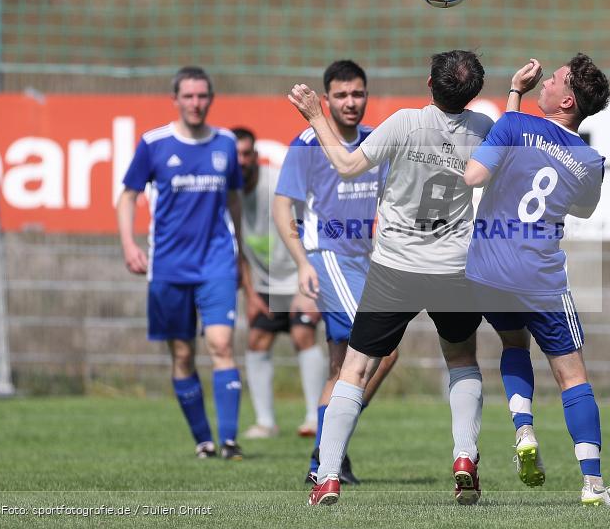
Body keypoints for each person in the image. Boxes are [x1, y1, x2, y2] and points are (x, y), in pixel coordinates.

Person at [288, 50, 494, 506]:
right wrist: (516, 93)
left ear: (429, 84)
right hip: (454, 269)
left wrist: (315, 115)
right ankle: (464, 456)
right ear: (473, 93)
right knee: (462, 360)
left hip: (395, 267)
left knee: (356, 368)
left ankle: (327, 476)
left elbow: (347, 166)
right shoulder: (483, 128)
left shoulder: (404, 123)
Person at [463, 54, 610, 507]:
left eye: (554, 80)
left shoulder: (514, 124)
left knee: (514, 344)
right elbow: (583, 209)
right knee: (572, 376)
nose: (545, 82)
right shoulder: (591, 160)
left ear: (567, 101)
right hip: (539, 277)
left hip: (488, 269)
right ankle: (592, 484)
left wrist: (514, 93)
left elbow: (474, 175)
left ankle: (524, 430)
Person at [274, 60, 399, 486]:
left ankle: (325, 457)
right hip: (326, 257)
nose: (350, 102)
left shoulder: (373, 142)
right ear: (326, 100)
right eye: (341, 95)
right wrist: (302, 262)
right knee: (383, 349)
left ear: (366, 96)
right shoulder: (308, 143)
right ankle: (329, 449)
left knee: (341, 366)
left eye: (357, 93)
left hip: (362, 260)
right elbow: (282, 206)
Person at [117, 66, 245, 460]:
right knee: (183, 354)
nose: (196, 103)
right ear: (175, 100)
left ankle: (229, 441)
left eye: (202, 96)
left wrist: (239, 252)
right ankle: (203, 440)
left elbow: (234, 200)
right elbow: (127, 196)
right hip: (169, 267)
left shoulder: (226, 143)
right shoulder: (153, 143)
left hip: (216, 262)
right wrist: (129, 244)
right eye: (188, 96)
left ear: (211, 99)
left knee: (221, 344)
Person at [232, 127, 328, 440]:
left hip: (299, 277)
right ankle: (265, 422)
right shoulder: (226, 194)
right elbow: (237, 249)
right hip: (266, 282)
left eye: (246, 154)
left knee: (303, 335)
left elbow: (313, 224)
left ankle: (315, 418)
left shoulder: (277, 184)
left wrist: (309, 280)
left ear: (255, 156)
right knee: (257, 340)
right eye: (235, 155)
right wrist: (250, 294)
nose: (241, 161)